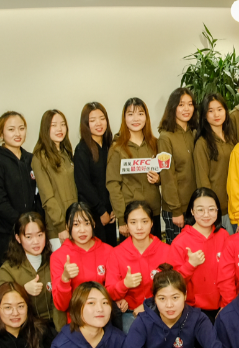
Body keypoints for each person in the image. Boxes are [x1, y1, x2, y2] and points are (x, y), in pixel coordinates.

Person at [0, 111, 44, 276]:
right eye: (11, 129)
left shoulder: (31, 159)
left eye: (21, 128)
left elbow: (39, 194)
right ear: (2, 134)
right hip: (8, 233)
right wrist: (21, 224)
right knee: (10, 278)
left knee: (34, 276)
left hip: (32, 232)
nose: (17, 133)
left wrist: (35, 223)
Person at [105, 200, 174, 331]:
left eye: (144, 221)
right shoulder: (117, 253)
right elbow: (109, 292)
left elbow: (176, 287)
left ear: (152, 223)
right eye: (133, 222)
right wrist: (124, 284)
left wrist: (149, 305)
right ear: (126, 225)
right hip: (130, 313)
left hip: (162, 310)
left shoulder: (166, 251)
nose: (139, 227)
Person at [107, 98, 162, 240]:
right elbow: (113, 185)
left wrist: (158, 179)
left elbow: (166, 175)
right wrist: (121, 219)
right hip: (129, 216)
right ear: (124, 118)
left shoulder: (155, 144)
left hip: (153, 212)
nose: (135, 118)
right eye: (130, 114)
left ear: (146, 117)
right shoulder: (117, 148)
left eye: (140, 114)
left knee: (154, 251)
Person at [170, 188, 229, 320]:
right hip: (192, 309)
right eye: (200, 210)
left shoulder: (224, 236)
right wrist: (190, 265)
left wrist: (226, 304)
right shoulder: (180, 242)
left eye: (211, 209)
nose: (206, 214)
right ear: (192, 211)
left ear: (218, 210)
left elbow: (230, 275)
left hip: (223, 306)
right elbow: (172, 283)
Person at [50, 203, 114, 322]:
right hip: (76, 322)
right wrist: (65, 279)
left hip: (104, 319)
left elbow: (114, 292)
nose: (82, 230)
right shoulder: (58, 256)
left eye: (87, 223)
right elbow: (61, 305)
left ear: (93, 224)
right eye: (76, 224)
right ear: (67, 227)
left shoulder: (109, 251)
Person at [0, 212, 64, 329]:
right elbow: (2, 301)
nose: (36, 241)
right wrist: (23, 290)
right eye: (29, 237)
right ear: (18, 238)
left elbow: (60, 303)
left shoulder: (55, 261)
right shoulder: (8, 268)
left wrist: (59, 331)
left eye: (40, 235)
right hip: (24, 327)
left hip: (53, 325)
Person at [31, 109, 77, 250]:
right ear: (45, 129)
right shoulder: (40, 157)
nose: (59, 129)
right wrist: (61, 226)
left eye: (62, 124)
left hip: (74, 222)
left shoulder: (66, 152)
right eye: (54, 125)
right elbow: (47, 197)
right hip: (58, 228)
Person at [157, 88, 198, 245]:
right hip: (176, 209)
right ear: (173, 107)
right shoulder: (165, 137)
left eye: (190, 104)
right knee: (177, 251)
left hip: (194, 206)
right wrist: (176, 210)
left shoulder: (193, 133)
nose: (186, 109)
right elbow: (167, 176)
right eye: (181, 105)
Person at [74, 102, 118, 246]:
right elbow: (84, 185)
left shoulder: (109, 146)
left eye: (102, 118)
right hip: (94, 214)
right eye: (92, 120)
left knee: (111, 250)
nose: (98, 123)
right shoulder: (82, 149)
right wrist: (101, 211)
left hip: (111, 213)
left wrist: (114, 208)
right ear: (86, 124)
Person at [194, 94, 239, 233]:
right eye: (211, 111)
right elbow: (202, 179)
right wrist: (210, 207)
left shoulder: (231, 137)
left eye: (220, 109)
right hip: (218, 208)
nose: (216, 114)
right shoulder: (202, 143)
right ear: (204, 115)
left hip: (236, 206)